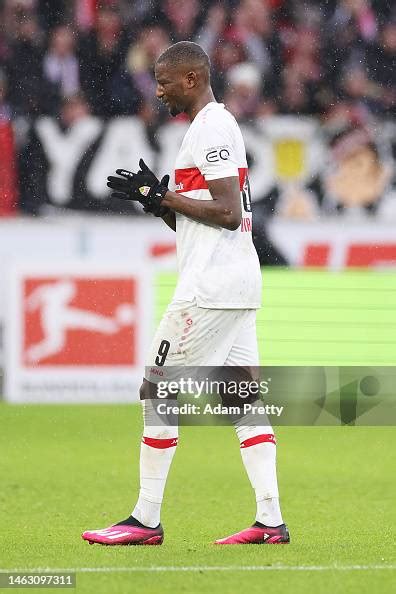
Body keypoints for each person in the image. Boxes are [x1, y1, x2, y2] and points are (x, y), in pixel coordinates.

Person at [82, 41, 289, 546]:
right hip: (236, 282)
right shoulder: (209, 127)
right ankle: (270, 521)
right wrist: (156, 203)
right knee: (242, 401)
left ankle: (145, 519)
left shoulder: (212, 126)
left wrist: (162, 194)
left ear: (192, 79)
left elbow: (229, 212)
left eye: (164, 81)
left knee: (157, 389)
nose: (158, 90)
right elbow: (204, 221)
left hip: (211, 289)